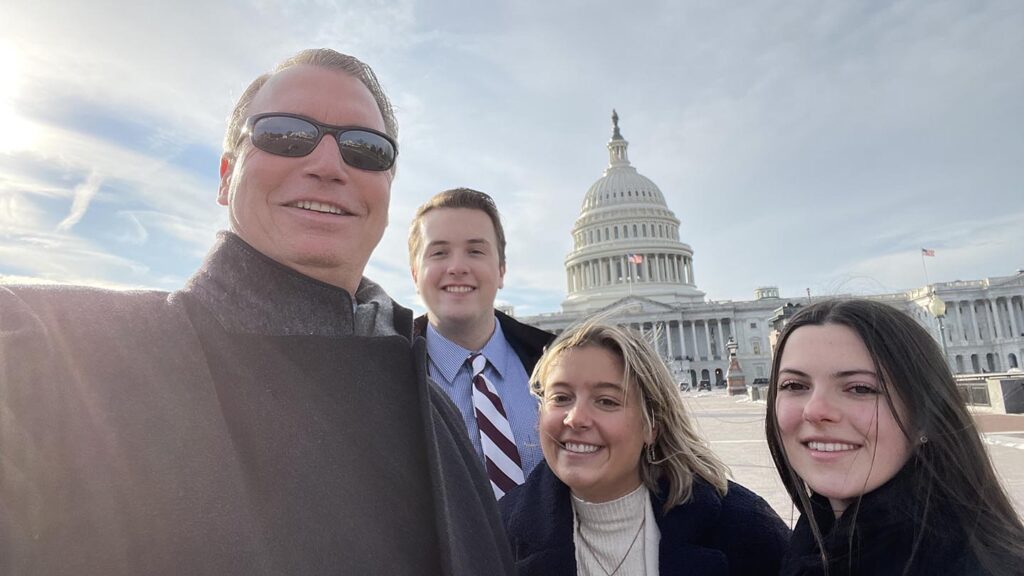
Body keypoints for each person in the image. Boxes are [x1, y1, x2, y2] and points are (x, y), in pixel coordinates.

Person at [0, 49, 513, 576]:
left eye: (365, 149)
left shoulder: (438, 412)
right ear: (225, 176)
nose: (328, 165)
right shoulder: (50, 352)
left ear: (386, 191)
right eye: (286, 134)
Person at [499, 318, 790, 575]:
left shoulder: (745, 528)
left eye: (606, 401)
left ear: (652, 424)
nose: (575, 418)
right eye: (561, 398)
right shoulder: (497, 530)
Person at [765, 299, 1024, 576]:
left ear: (924, 415)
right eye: (794, 385)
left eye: (860, 389)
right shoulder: (809, 545)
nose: (815, 410)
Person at [408, 188, 554, 497]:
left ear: (501, 270)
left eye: (475, 251)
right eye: (439, 252)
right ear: (414, 273)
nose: (458, 267)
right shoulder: (384, 378)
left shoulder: (556, 364)